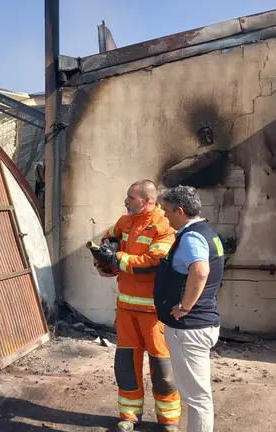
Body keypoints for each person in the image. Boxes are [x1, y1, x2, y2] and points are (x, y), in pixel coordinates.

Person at [90, 180, 181, 432]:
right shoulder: (124, 222)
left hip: (154, 313)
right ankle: (129, 416)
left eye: (130, 197)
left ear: (147, 200)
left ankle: (169, 419)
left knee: (163, 369)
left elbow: (152, 263)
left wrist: (116, 259)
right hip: (126, 309)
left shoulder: (164, 226)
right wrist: (103, 260)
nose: (126, 201)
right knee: (126, 366)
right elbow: (108, 242)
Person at [154, 186, 225, 432]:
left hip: (189, 328)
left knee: (196, 397)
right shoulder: (207, 232)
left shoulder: (192, 237)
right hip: (201, 323)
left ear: (180, 211)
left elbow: (201, 271)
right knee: (197, 395)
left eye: (166, 210)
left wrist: (185, 307)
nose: (164, 215)